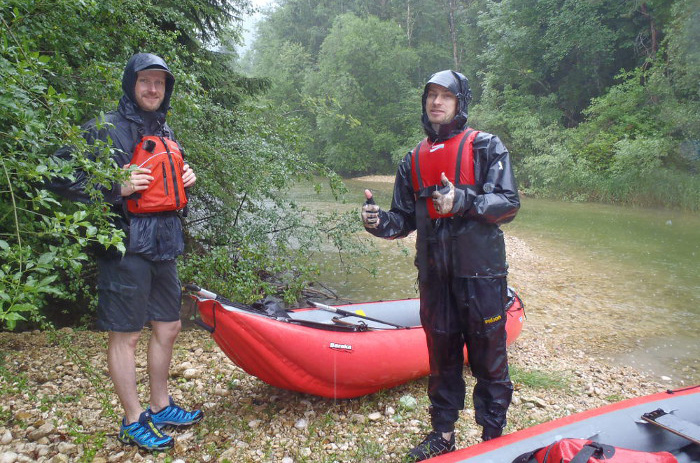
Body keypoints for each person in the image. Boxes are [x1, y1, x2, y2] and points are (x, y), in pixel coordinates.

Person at [361, 70, 520, 461]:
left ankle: (492, 438)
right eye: (431, 95)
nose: (436, 102)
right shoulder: (411, 160)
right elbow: (403, 218)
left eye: (445, 96)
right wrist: (379, 222)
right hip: (435, 278)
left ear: (459, 102)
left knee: (489, 358)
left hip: (481, 276)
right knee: (442, 357)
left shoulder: (486, 147)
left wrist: (464, 201)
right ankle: (443, 434)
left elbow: (508, 202)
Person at [48, 53, 203, 451]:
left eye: (160, 83)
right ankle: (133, 420)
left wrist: (188, 177)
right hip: (122, 242)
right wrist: (114, 185)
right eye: (145, 81)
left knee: (169, 327)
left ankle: (161, 404)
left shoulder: (165, 130)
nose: (153, 89)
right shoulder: (104, 128)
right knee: (127, 335)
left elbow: (168, 184)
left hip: (164, 240)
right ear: (130, 84)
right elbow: (56, 174)